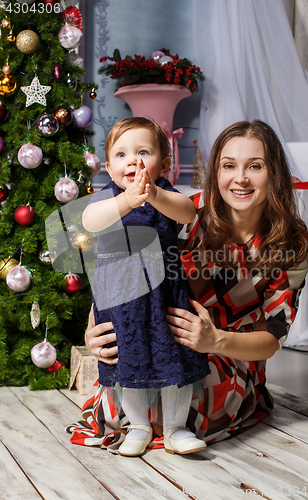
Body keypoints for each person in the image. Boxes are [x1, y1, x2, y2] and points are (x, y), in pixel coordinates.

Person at [67, 120, 308, 450]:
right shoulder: (185, 211)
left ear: (275, 173)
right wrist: (92, 329)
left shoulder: (290, 242)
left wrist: (217, 340)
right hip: (157, 334)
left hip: (227, 350)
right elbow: (119, 265)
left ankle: (176, 425)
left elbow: (274, 336)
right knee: (122, 403)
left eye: (255, 166)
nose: (240, 178)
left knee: (194, 399)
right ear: (216, 172)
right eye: (229, 166)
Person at [79, 117, 210, 457]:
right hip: (122, 297)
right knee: (128, 357)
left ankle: (177, 428)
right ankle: (137, 424)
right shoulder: (106, 198)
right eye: (121, 155)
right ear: (108, 167)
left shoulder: (165, 193)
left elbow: (187, 213)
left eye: (143, 152)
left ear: (163, 163)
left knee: (175, 358)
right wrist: (128, 201)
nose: (132, 161)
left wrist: (152, 194)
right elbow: (90, 221)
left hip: (164, 292)